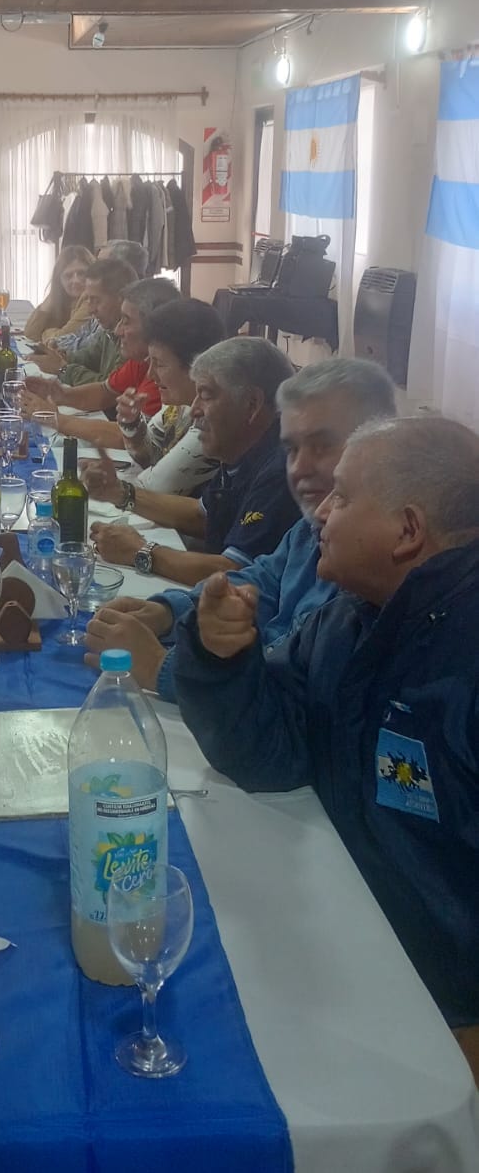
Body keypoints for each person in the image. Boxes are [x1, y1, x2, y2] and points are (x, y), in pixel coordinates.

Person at [166, 416, 479, 1046]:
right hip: (337, 937)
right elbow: (271, 752)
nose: (320, 513)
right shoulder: (344, 622)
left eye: (343, 496)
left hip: (435, 1007)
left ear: (407, 531)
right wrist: (222, 661)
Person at [86, 356, 398, 687]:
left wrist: (162, 667)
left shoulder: (370, 555)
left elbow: (297, 688)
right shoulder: (309, 527)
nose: (298, 468)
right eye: (292, 449)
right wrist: (168, 613)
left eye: (322, 446)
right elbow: (259, 583)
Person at [91, 335, 299, 584]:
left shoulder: (282, 468)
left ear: (252, 404)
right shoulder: (243, 449)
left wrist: (139, 551)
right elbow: (202, 516)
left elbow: (236, 572)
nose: (194, 409)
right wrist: (119, 492)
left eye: (206, 395)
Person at [82, 299, 224, 506]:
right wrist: (132, 425)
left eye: (160, 365)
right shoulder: (179, 404)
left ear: (198, 366)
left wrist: (108, 485)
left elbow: (155, 486)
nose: (150, 375)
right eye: (150, 362)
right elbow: (150, 455)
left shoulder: (212, 419)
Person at [24, 277, 178, 446]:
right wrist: (60, 395)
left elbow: (132, 438)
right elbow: (105, 392)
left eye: (126, 321)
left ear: (154, 326)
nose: (118, 331)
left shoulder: (165, 373)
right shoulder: (142, 359)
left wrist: (56, 419)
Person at [26, 256, 134, 379]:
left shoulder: (132, 338)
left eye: (96, 300)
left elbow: (108, 387)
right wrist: (61, 357)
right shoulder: (108, 331)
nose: (90, 310)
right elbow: (88, 357)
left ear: (121, 299)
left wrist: (62, 369)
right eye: (88, 299)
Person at [23, 244, 94, 345]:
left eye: (81, 273)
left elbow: (62, 339)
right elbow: (30, 334)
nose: (76, 280)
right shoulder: (64, 298)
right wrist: (54, 293)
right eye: (68, 276)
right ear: (59, 280)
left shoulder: (91, 300)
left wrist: (46, 333)